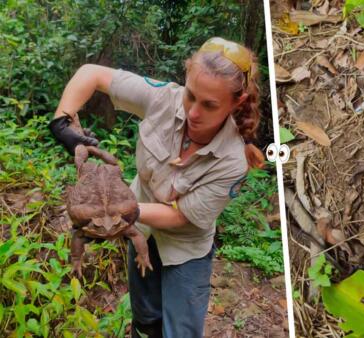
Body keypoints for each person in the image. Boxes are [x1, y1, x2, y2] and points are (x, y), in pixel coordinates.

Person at [49, 37, 265, 337]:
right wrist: (61, 122)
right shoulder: (164, 98)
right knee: (146, 316)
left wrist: (120, 211)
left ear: (236, 102)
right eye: (191, 95)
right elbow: (91, 74)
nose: (192, 112)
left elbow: (181, 217)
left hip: (185, 247)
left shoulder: (232, 160)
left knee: (181, 330)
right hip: (142, 233)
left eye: (209, 105)